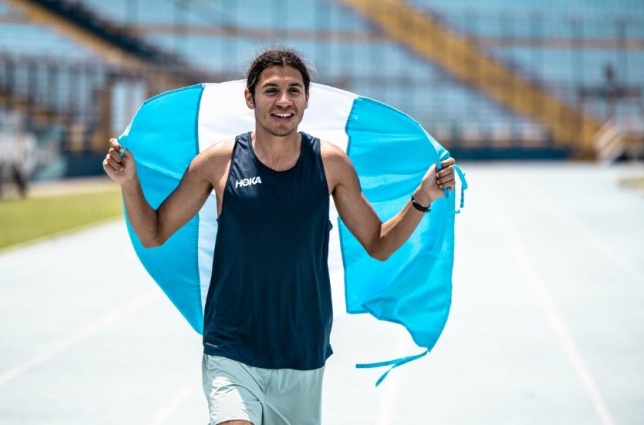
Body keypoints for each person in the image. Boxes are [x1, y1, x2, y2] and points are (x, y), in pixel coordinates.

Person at [103, 47, 456, 425]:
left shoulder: (331, 164)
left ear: (307, 99)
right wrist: (129, 183)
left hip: (301, 350)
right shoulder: (218, 162)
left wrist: (422, 199)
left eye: (294, 90)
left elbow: (378, 243)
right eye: (271, 90)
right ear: (249, 97)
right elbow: (154, 233)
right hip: (231, 347)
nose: (284, 101)